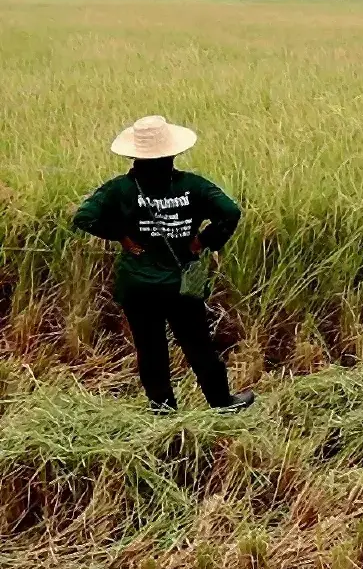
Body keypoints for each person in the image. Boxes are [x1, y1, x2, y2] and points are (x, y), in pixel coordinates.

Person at [73, 115, 255, 413]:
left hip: (138, 284)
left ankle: (163, 408)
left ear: (135, 154)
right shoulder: (193, 186)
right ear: (172, 152)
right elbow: (230, 211)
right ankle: (222, 402)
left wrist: (122, 236)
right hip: (181, 284)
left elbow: (84, 216)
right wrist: (203, 240)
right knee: (198, 344)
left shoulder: (119, 189)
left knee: (150, 349)